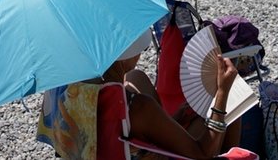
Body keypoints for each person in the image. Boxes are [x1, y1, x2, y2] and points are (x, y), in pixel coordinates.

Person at [95, 30, 241, 159]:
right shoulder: (137, 106)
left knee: (136, 76)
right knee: (229, 111)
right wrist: (223, 92)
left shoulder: (80, 92)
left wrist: (170, 121)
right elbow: (203, 154)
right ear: (125, 56)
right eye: (142, 49)